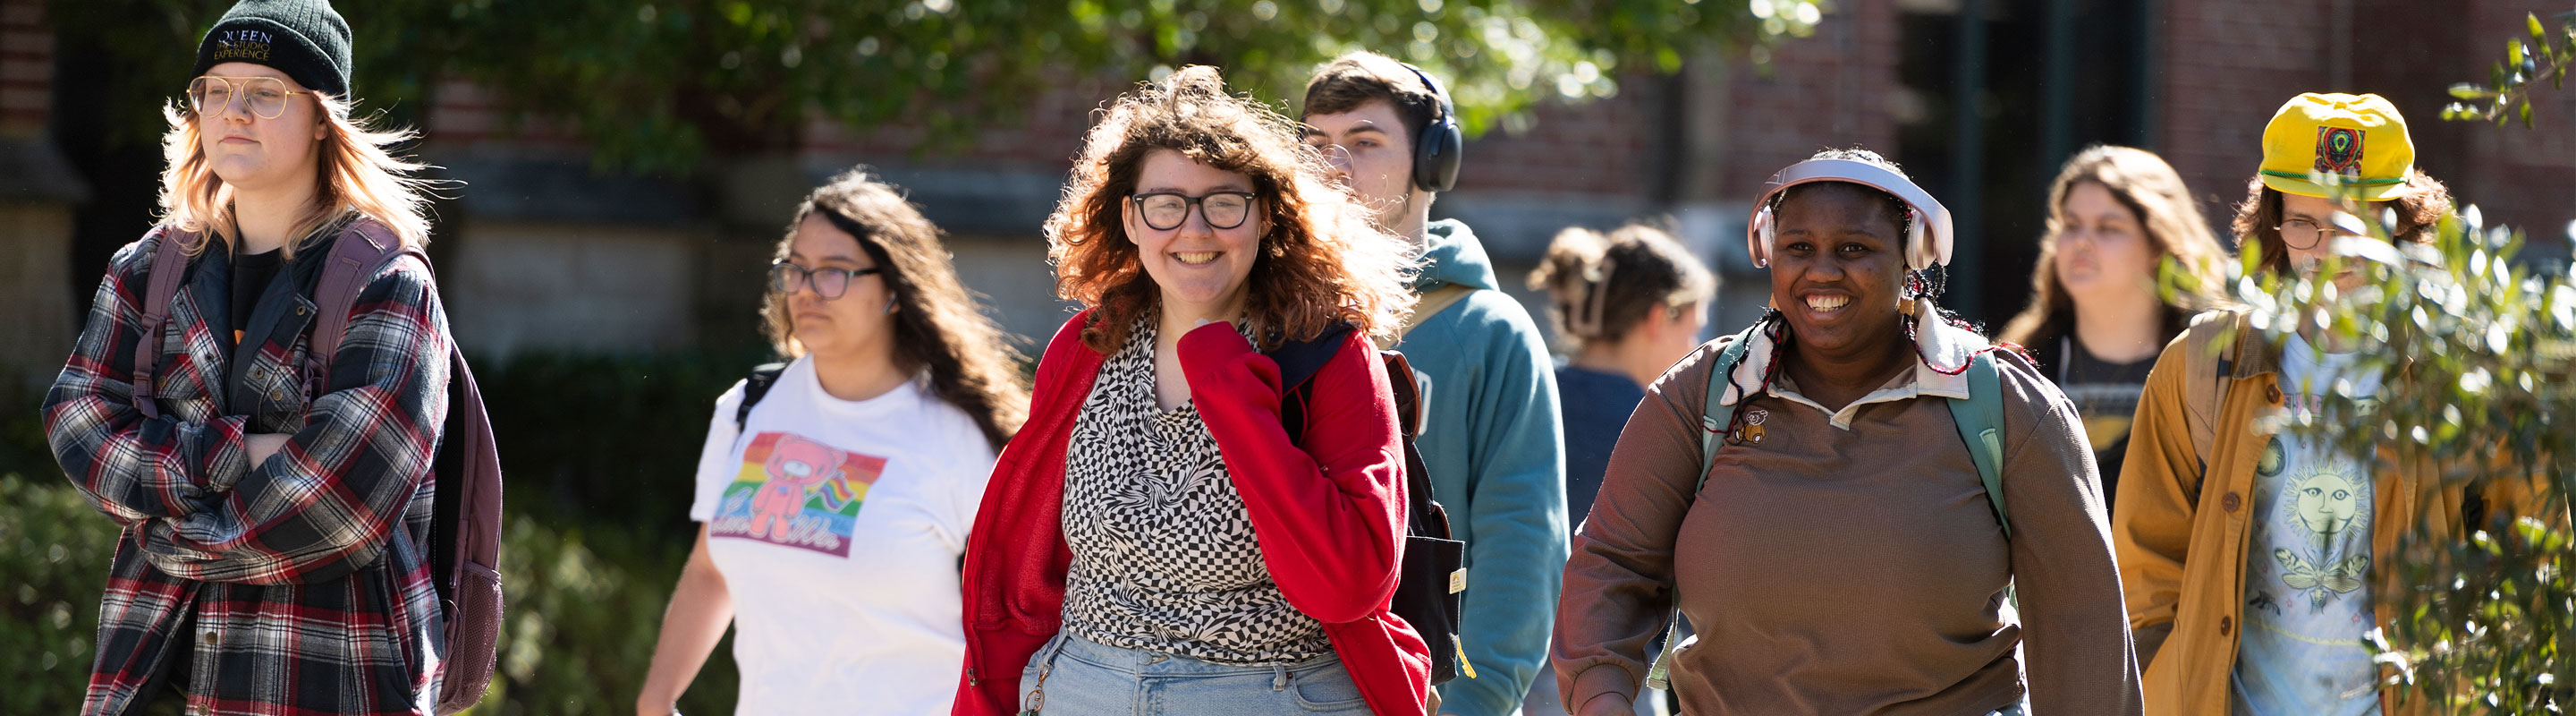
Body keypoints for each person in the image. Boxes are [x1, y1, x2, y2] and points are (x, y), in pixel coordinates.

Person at [1555, 149, 2142, 716]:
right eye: (1799, 247)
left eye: (1854, 248)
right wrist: (1603, 698)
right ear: (1767, 252)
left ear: (1911, 254)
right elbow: (1612, 566)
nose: (1823, 270)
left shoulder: (2006, 406)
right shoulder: (1702, 395)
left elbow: (2081, 625)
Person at [953, 65, 1428, 716]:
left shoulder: (1330, 358)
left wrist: (1226, 375)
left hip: (1268, 694)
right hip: (1080, 687)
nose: (1195, 230)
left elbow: (1349, 586)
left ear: (1266, 218)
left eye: (1224, 203)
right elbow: (1025, 565)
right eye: (1167, 203)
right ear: (1129, 217)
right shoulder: (1087, 347)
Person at [41, 1, 456, 713]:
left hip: (326, 677)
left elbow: (343, 504)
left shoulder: (386, 283)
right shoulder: (145, 271)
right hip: (149, 675)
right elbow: (77, 426)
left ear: (323, 118)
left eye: (267, 92)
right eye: (217, 90)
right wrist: (250, 451)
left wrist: (166, 528)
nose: (235, 111)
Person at [2114, 92, 2492, 716]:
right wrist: (2166, 683)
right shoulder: (2202, 363)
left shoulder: (2459, 375)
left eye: (2352, 224)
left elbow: (2526, 556)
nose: (2326, 250)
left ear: (2400, 223)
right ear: (2274, 226)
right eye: (2303, 223)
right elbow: (2144, 562)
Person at [633, 169, 1030, 715]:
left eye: (834, 273)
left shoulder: (964, 439)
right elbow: (709, 568)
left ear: (894, 288)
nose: (806, 291)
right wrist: (657, 698)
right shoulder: (748, 409)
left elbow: (1016, 625)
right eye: (795, 270)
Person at [1301, 51, 1567, 716]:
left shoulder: (1488, 332)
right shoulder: (1259, 316)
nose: (1333, 166)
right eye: (1315, 144)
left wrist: (1475, 701)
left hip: (1422, 696)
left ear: (1431, 163)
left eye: (1363, 143)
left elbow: (1521, 539)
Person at [1997, 145, 2230, 507]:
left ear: (2160, 244)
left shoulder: (2214, 362)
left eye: (2109, 228)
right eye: (2071, 225)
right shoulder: (2016, 365)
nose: (2082, 243)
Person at [1526, 223, 1717, 535]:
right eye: (1693, 329)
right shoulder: (1659, 431)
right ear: (1659, 319)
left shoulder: (1530, 390)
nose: (1694, 347)